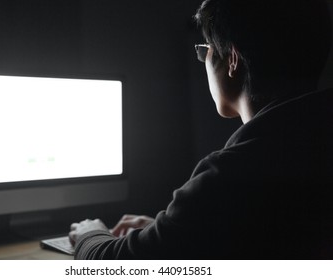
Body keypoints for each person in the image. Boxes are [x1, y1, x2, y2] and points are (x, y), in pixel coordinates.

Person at [69, 0, 333, 259]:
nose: (203, 59)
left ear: (232, 60)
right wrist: (175, 232)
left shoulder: (231, 175)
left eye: (205, 49)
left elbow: (112, 265)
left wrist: (90, 233)